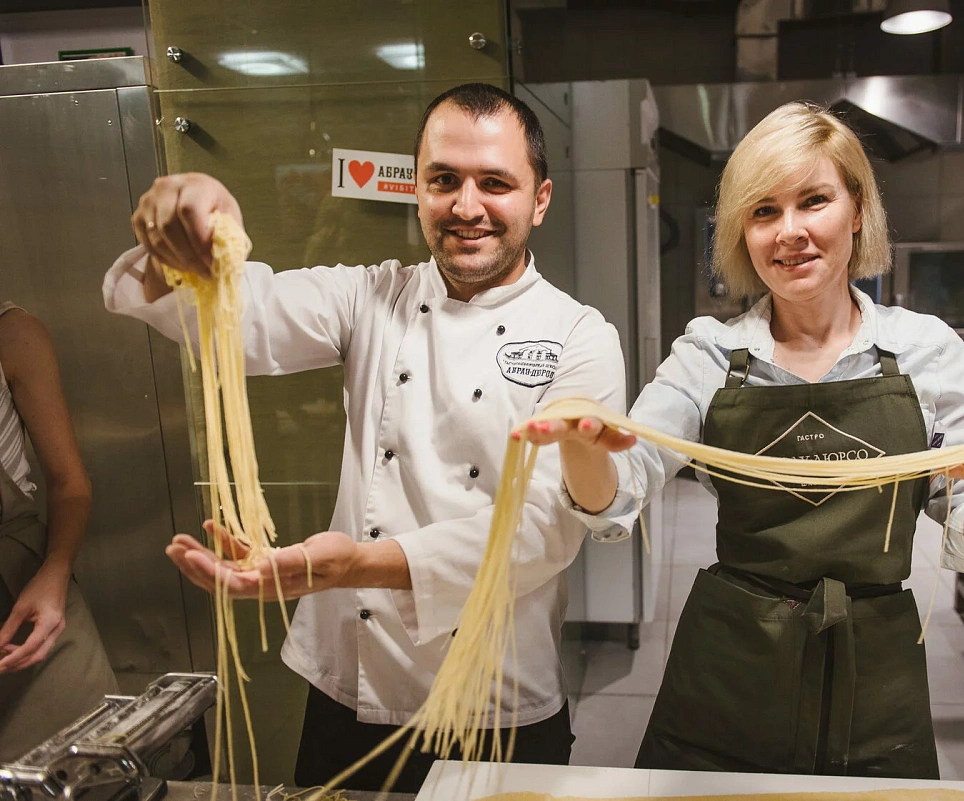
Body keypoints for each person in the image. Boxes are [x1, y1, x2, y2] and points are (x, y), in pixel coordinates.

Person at [522, 102, 964, 779]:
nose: (789, 231)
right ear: (742, 231)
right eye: (764, 211)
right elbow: (620, 492)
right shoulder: (708, 354)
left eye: (813, 201)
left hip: (874, 675)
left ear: (857, 210)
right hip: (730, 666)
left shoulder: (926, 353)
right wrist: (583, 444)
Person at [101, 83, 625, 791]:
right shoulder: (370, 296)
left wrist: (353, 567)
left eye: (495, 183)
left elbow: (544, 530)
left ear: (540, 199)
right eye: (444, 180)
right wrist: (189, 231)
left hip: (496, 696)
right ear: (419, 190)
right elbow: (237, 316)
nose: (466, 206)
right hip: (351, 688)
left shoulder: (580, 335)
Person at [0, 304, 119, 760]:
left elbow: (70, 483)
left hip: (22, 592)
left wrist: (55, 570)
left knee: (88, 761)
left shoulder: (13, 334)